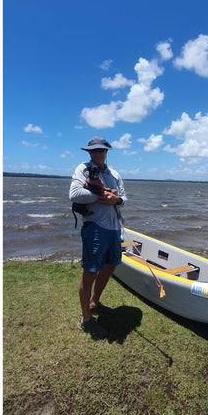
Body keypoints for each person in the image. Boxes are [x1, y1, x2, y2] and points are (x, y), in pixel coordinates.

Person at [69, 136, 127, 339]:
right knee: (90, 272)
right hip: (95, 227)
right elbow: (74, 195)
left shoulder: (114, 173)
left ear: (107, 151)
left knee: (111, 266)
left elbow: (124, 199)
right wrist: (102, 195)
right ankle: (86, 320)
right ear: (89, 153)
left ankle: (95, 302)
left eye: (101, 150)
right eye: (94, 151)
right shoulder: (83, 169)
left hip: (114, 229)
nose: (98, 154)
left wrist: (116, 199)